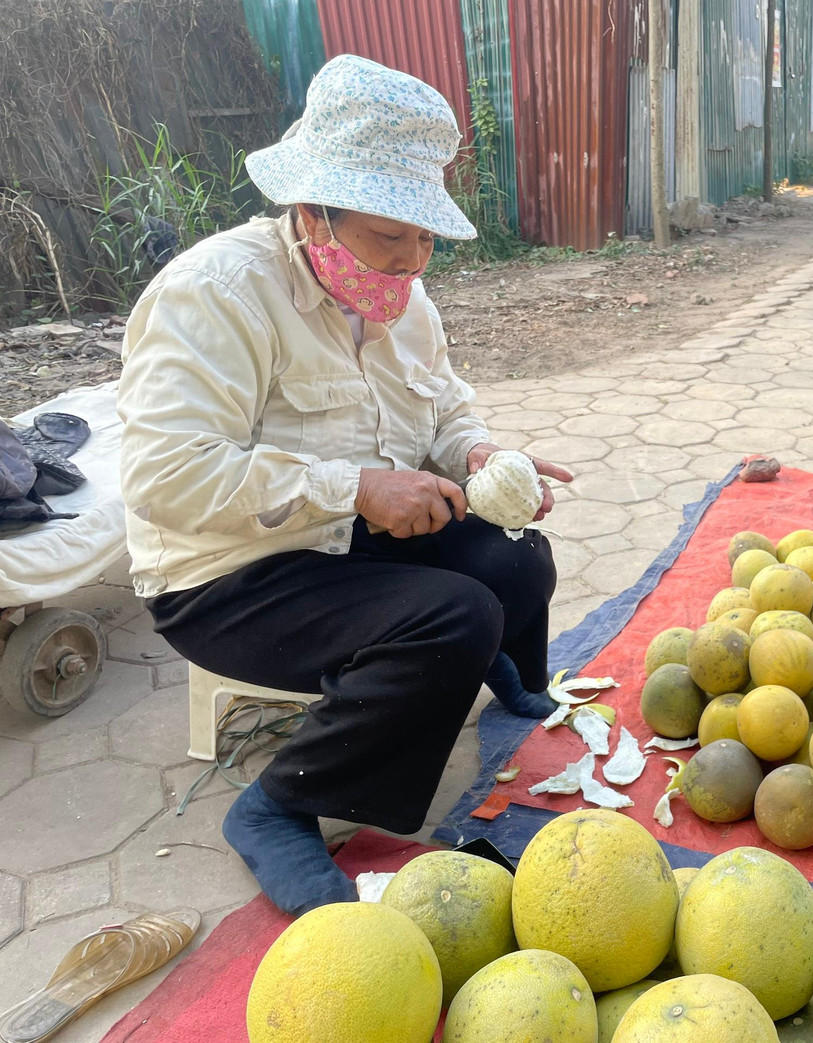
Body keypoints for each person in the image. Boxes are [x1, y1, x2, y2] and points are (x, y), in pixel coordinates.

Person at [118, 55, 574, 917]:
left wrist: (478, 455)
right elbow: (161, 476)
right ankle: (278, 806)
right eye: (388, 236)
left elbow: (442, 408)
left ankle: (505, 671)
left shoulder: (405, 299)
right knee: (454, 616)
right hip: (227, 573)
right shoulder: (216, 293)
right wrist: (354, 487)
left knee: (516, 556)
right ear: (312, 211)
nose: (410, 263)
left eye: (426, 238)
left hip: (348, 537)